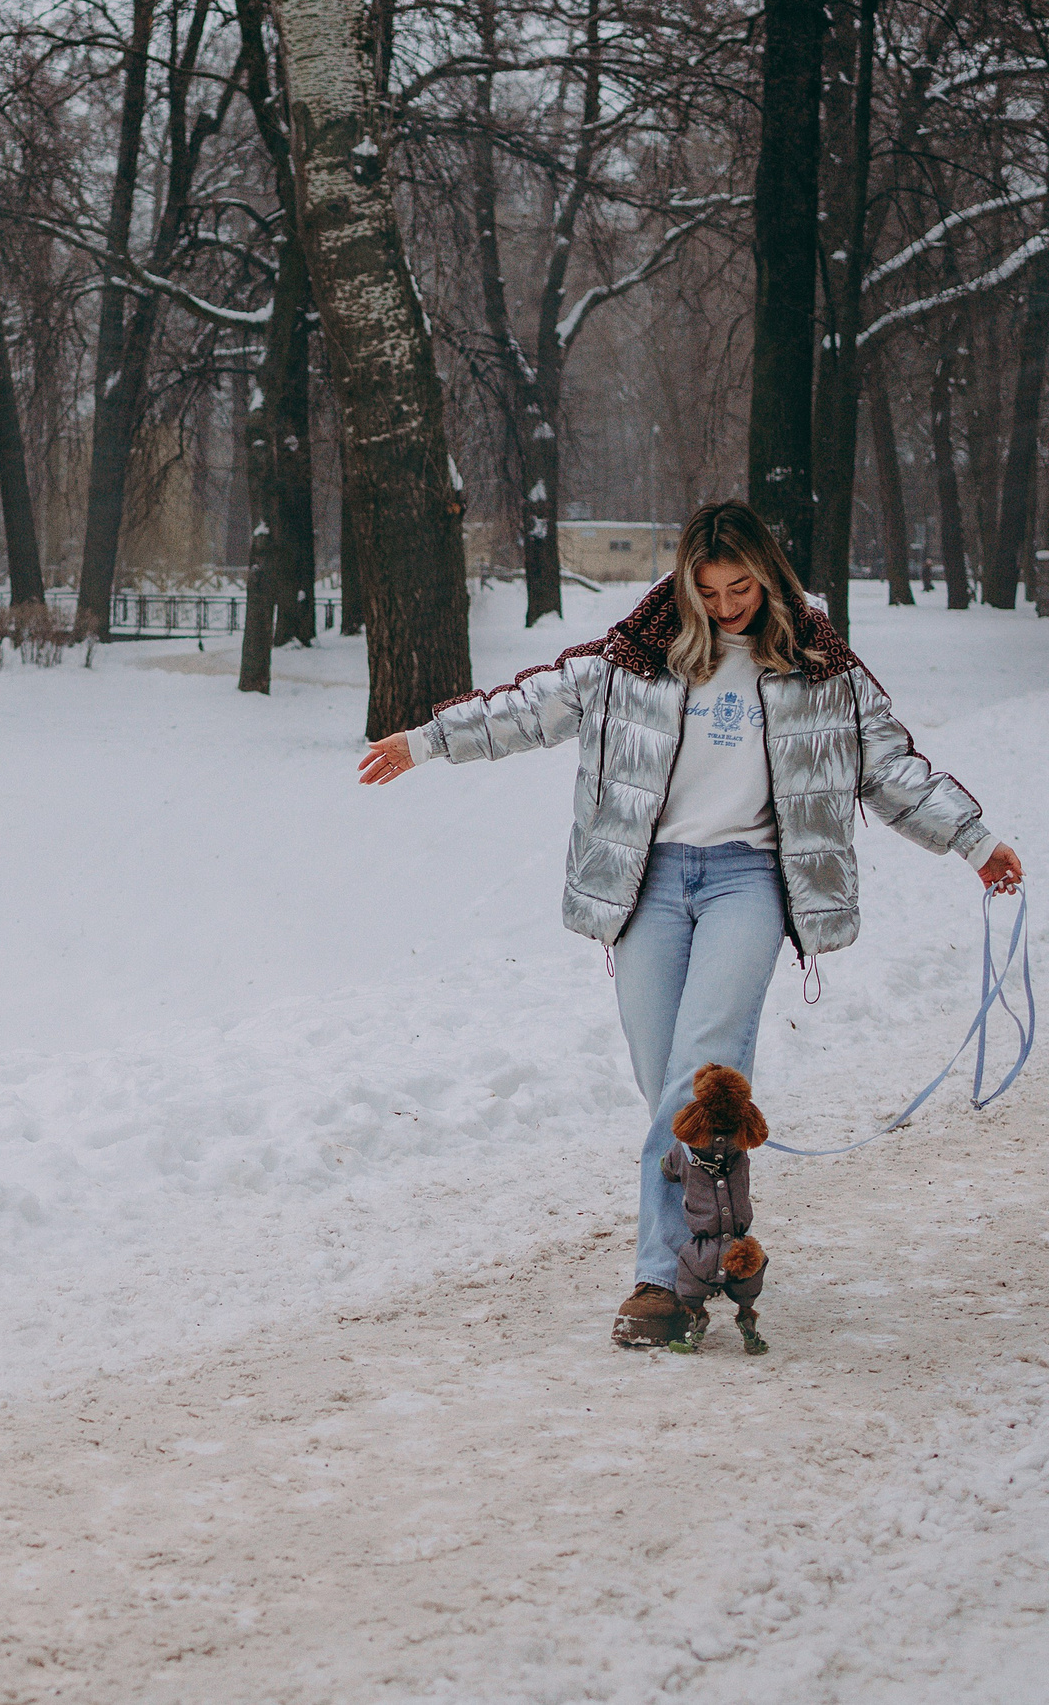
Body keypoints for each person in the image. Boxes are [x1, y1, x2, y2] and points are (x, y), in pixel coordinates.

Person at [358, 499, 1022, 1347]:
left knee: (693, 1079)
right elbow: (529, 707)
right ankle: (717, 1243)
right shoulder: (633, 657)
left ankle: (661, 1283)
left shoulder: (821, 668)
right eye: (707, 590)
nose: (725, 605)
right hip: (651, 886)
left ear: (768, 576)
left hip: (748, 883)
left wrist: (974, 841)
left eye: (740, 586)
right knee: (670, 1086)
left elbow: (890, 770)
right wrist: (424, 741)